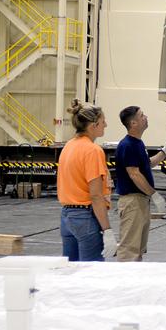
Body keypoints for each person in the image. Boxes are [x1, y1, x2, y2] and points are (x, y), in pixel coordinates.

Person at [113, 106, 166, 261]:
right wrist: (154, 194)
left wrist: (165, 151)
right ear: (134, 123)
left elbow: (147, 165)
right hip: (132, 202)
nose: (146, 117)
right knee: (129, 250)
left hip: (140, 202)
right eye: (142, 115)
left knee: (138, 249)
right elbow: (134, 174)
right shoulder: (128, 145)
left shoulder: (137, 143)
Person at [58, 100, 111, 262]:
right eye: (103, 122)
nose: (106, 125)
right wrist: (107, 230)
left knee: (70, 271)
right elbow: (95, 195)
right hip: (85, 216)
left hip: (67, 216)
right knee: (91, 273)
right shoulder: (93, 151)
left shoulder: (69, 146)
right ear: (93, 126)